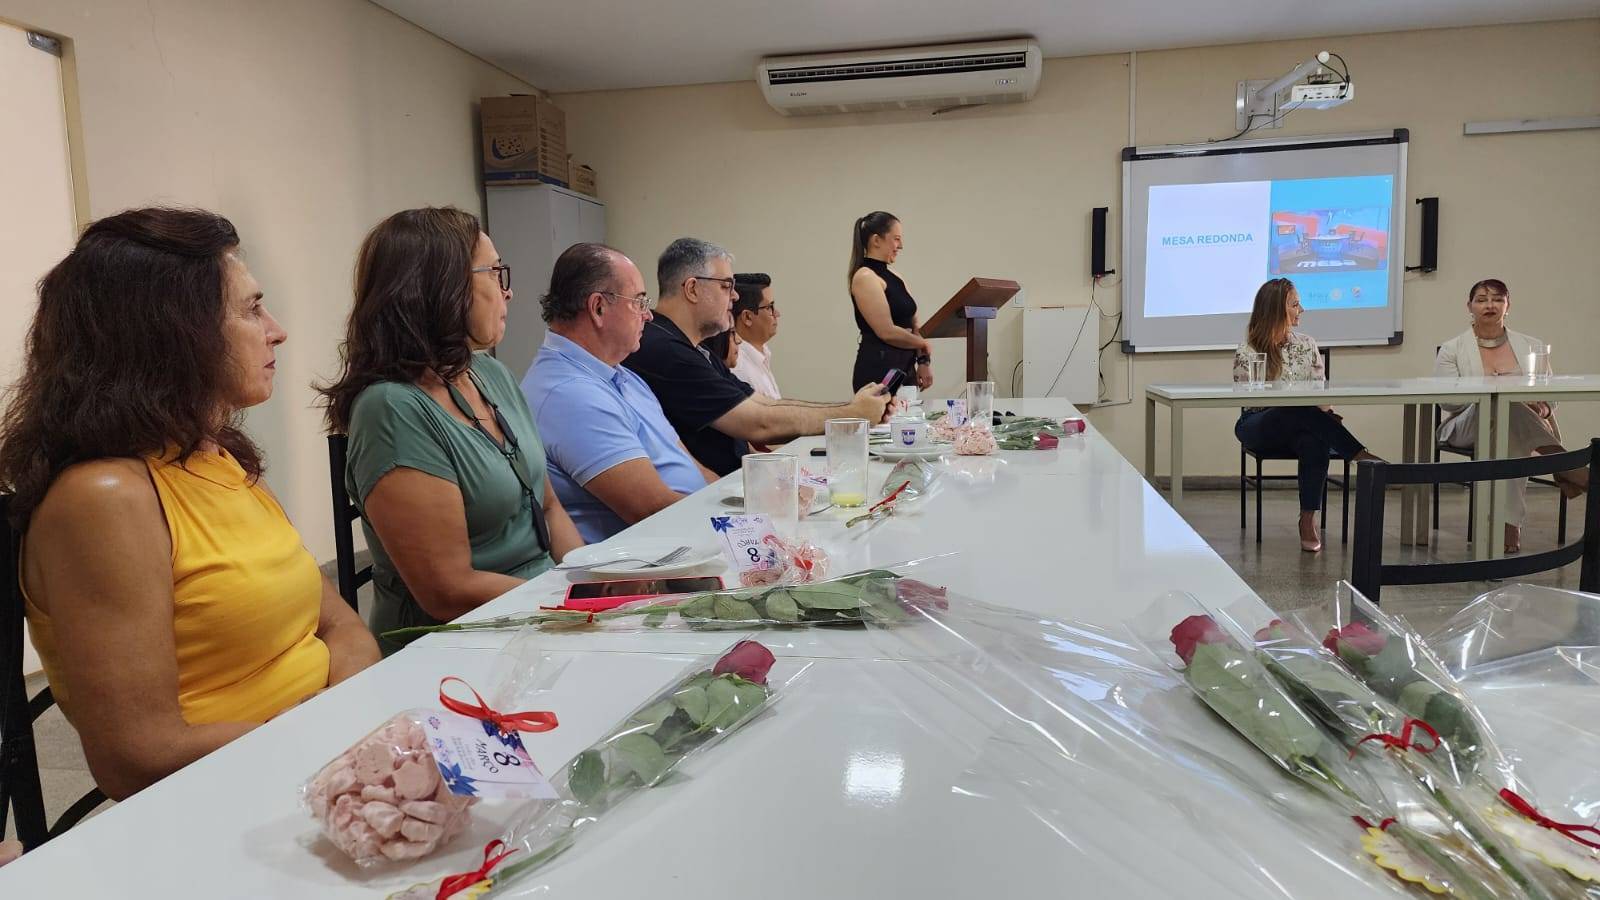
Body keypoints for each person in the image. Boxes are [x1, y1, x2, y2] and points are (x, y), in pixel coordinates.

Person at [0, 208, 379, 799]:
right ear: (175, 333)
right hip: (232, 798)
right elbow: (136, 755)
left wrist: (349, 723)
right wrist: (319, 742)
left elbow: (339, 624)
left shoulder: (217, 456)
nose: (276, 329)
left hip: (322, 765)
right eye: (252, 310)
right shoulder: (104, 498)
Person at [320, 207, 583, 654]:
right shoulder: (391, 409)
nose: (510, 291)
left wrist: (590, 582)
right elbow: (447, 590)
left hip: (540, 615)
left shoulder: (488, 373)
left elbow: (549, 505)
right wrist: (570, 609)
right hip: (460, 644)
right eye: (495, 273)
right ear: (442, 288)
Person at [624, 237, 890, 475]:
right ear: (692, 289)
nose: (736, 296)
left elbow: (763, 405)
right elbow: (757, 423)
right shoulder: (665, 348)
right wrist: (851, 414)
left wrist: (851, 411)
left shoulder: (696, 348)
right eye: (727, 286)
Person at [521, 243, 717, 543]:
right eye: (639, 302)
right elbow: (651, 510)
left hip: (690, 536)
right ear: (598, 308)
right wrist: (739, 526)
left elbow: (690, 465)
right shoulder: (568, 394)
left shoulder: (622, 376)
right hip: (649, 564)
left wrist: (743, 504)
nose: (648, 316)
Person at [1434, 278, 1588, 553]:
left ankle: (1508, 525)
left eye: (1497, 299)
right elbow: (1448, 401)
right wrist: (1491, 391)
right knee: (1503, 405)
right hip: (1465, 424)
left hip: (1516, 425)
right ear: (1469, 306)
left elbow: (1549, 395)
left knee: (1510, 423)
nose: (1489, 305)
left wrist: (1541, 408)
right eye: (1481, 299)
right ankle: (1566, 466)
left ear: (1508, 305)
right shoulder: (1451, 349)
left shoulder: (1531, 345)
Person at [1231, 278, 1381, 553]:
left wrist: (1325, 412)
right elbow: (1249, 397)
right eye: (1295, 304)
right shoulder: (1248, 349)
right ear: (1277, 309)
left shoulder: (1307, 344)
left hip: (1302, 426)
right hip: (1259, 424)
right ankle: (1356, 451)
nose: (1302, 310)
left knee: (1314, 439)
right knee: (1294, 407)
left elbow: (1318, 392)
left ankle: (1308, 519)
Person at [849, 211, 932, 393]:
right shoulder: (864, 277)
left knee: (909, 420)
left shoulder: (896, 276)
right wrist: (922, 344)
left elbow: (914, 324)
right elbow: (886, 331)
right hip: (879, 371)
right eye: (896, 239)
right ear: (876, 240)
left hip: (905, 368)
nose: (900, 246)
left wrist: (923, 362)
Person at [729, 273, 781, 398]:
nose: (777, 314)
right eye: (770, 307)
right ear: (747, 317)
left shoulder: (761, 354)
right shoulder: (738, 368)